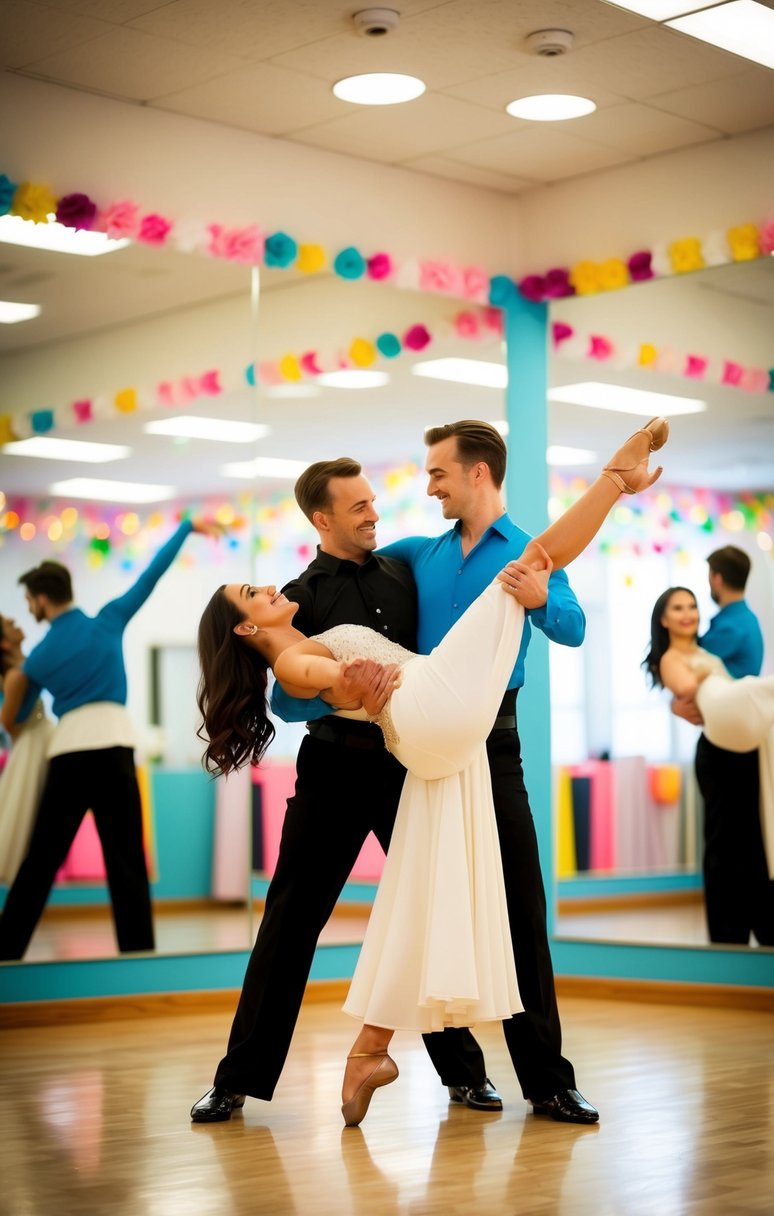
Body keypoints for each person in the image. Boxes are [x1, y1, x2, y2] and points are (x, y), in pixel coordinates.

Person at [195, 417, 668, 1127]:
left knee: (486, 907)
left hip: (435, 753)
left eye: (378, 499)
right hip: (340, 767)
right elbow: (290, 691)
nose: (379, 509)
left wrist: (541, 600)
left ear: (475, 474)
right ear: (322, 518)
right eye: (358, 506)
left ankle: (511, 1079)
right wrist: (342, 692)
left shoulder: (407, 562)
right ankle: (237, 1079)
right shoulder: (310, 588)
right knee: (291, 920)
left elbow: (570, 626)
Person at [0, 517, 217, 960]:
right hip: (116, 747)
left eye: (29, 601)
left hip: (68, 755)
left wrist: (20, 671)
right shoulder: (108, 621)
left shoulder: (39, 657)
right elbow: (151, 575)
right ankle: (138, 955)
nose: (31, 609)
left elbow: (17, 719)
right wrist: (187, 527)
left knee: (41, 860)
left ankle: (6, 950)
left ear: (42, 598)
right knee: (127, 861)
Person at [646, 585, 774, 947]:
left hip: (741, 751)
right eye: (679, 608)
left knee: (749, 846)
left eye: (692, 606)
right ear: (664, 619)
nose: (688, 614)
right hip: (717, 756)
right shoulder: (671, 657)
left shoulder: (703, 651)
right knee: (723, 849)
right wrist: (704, 681)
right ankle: (732, 940)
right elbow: (684, 687)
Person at [0, 615, 55, 884]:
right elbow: (8, 722)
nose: (16, 621)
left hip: (42, 737)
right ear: (5, 643)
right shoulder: (14, 675)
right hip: (31, 744)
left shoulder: (28, 665)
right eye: (10, 624)